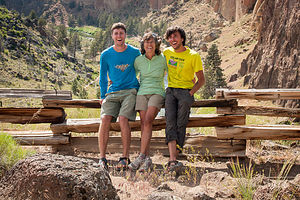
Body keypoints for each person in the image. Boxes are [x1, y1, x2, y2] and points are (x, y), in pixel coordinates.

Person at [98, 22, 140, 170]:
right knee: (105, 119)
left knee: (123, 119)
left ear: (125, 35)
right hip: (112, 91)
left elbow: (144, 66)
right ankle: (102, 158)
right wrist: (103, 95)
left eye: (121, 33)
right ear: (112, 36)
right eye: (116, 33)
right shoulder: (106, 54)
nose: (119, 36)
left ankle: (124, 158)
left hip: (130, 91)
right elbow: (102, 77)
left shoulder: (135, 52)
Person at [163, 26, 205, 172]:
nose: (172, 40)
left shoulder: (193, 55)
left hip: (185, 91)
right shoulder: (166, 53)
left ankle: (177, 152)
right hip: (170, 91)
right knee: (169, 121)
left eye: (175, 36)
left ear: (182, 38)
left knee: (181, 122)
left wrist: (190, 93)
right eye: (170, 37)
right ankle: (172, 159)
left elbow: (201, 80)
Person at [128, 32, 167, 172]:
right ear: (143, 45)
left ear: (156, 44)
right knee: (143, 123)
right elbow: (132, 75)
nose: (149, 44)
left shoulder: (163, 59)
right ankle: (146, 159)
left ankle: (141, 155)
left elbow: (174, 72)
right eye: (146, 42)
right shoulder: (138, 60)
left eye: (152, 42)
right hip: (142, 93)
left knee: (148, 120)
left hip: (157, 92)